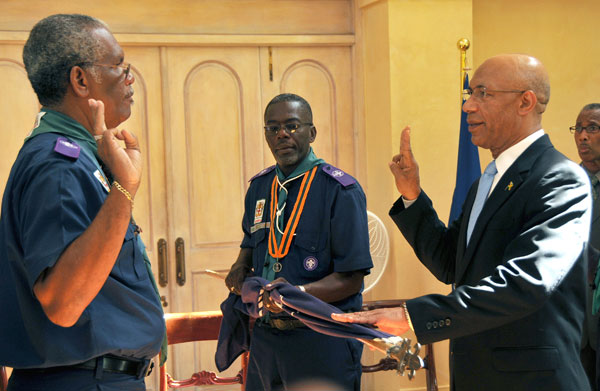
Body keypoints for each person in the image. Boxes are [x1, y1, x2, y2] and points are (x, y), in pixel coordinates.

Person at [333, 54, 592, 391]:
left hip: (531, 380)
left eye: (483, 93)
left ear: (525, 102)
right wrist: (412, 196)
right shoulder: (488, 181)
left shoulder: (560, 180)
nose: (468, 106)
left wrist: (413, 316)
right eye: (470, 94)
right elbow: (451, 264)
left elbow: (528, 281)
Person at [0, 14, 165, 391]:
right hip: (82, 380)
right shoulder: (58, 164)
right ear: (80, 79)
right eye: (118, 65)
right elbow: (62, 302)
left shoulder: (82, 155)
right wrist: (124, 187)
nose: (129, 76)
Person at [224, 93, 373, 391]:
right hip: (267, 339)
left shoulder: (341, 190)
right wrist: (238, 271)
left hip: (321, 339)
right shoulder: (259, 188)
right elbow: (249, 249)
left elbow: (351, 279)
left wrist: (296, 295)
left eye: (292, 126)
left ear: (312, 132)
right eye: (273, 128)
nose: (282, 134)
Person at [573, 103, 600, 390]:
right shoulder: (563, 183)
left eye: (591, 128)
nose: (582, 136)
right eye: (578, 129)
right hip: (574, 321)